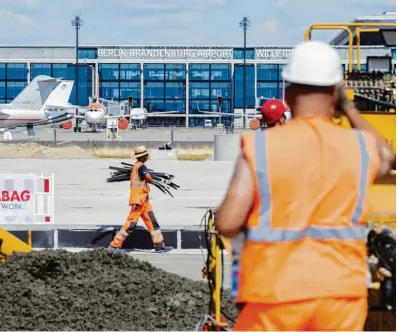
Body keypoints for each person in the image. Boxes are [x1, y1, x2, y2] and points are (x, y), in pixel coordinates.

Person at [215, 40, 395, 331]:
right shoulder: (360, 147)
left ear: (287, 94)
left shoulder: (261, 146)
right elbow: (389, 157)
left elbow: (227, 222)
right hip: (340, 296)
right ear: (334, 95)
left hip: (275, 295)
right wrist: (350, 110)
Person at [108, 146, 173, 253]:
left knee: (153, 223)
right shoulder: (141, 167)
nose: (148, 156)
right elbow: (149, 179)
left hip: (144, 201)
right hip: (139, 201)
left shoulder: (136, 166)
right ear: (143, 156)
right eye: (146, 154)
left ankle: (159, 246)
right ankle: (114, 246)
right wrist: (151, 178)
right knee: (130, 224)